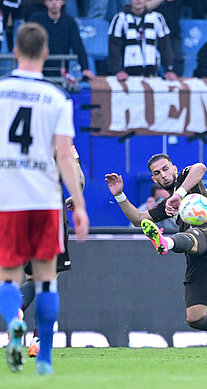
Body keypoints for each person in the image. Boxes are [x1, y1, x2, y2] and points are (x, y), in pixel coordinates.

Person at [105, 154, 207, 353]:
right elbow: (139, 219)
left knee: (190, 233)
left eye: (165, 169)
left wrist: (179, 194)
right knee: (196, 318)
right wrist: (119, 195)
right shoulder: (168, 205)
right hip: (195, 254)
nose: (163, 175)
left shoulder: (184, 180)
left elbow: (200, 167)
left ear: (174, 167)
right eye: (157, 173)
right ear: (154, 180)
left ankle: (166, 242)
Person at [0, 22, 89, 374]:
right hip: (45, 200)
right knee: (46, 279)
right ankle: (47, 359)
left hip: (8, 199)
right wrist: (79, 205)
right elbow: (66, 156)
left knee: (8, 278)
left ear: (15, 52)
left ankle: (15, 327)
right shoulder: (56, 98)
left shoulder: (1, 91)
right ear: (47, 54)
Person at [21, 145, 84, 358]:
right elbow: (75, 171)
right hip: (49, 216)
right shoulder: (57, 135)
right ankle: (38, 340)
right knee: (48, 279)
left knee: (32, 277)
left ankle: (16, 309)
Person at [107, 0, 178, 81]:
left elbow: (165, 47)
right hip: (126, 76)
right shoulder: (120, 18)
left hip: (151, 75)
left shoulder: (157, 18)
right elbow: (114, 48)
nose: (138, 0)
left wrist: (169, 70)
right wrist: (117, 71)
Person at [29, 0, 95, 79]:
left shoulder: (69, 22)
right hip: (37, 73)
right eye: (50, 0)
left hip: (61, 74)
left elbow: (78, 47)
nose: (54, 3)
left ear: (63, 1)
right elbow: (27, 44)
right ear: (45, 2)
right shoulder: (36, 20)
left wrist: (85, 68)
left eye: (57, 0)